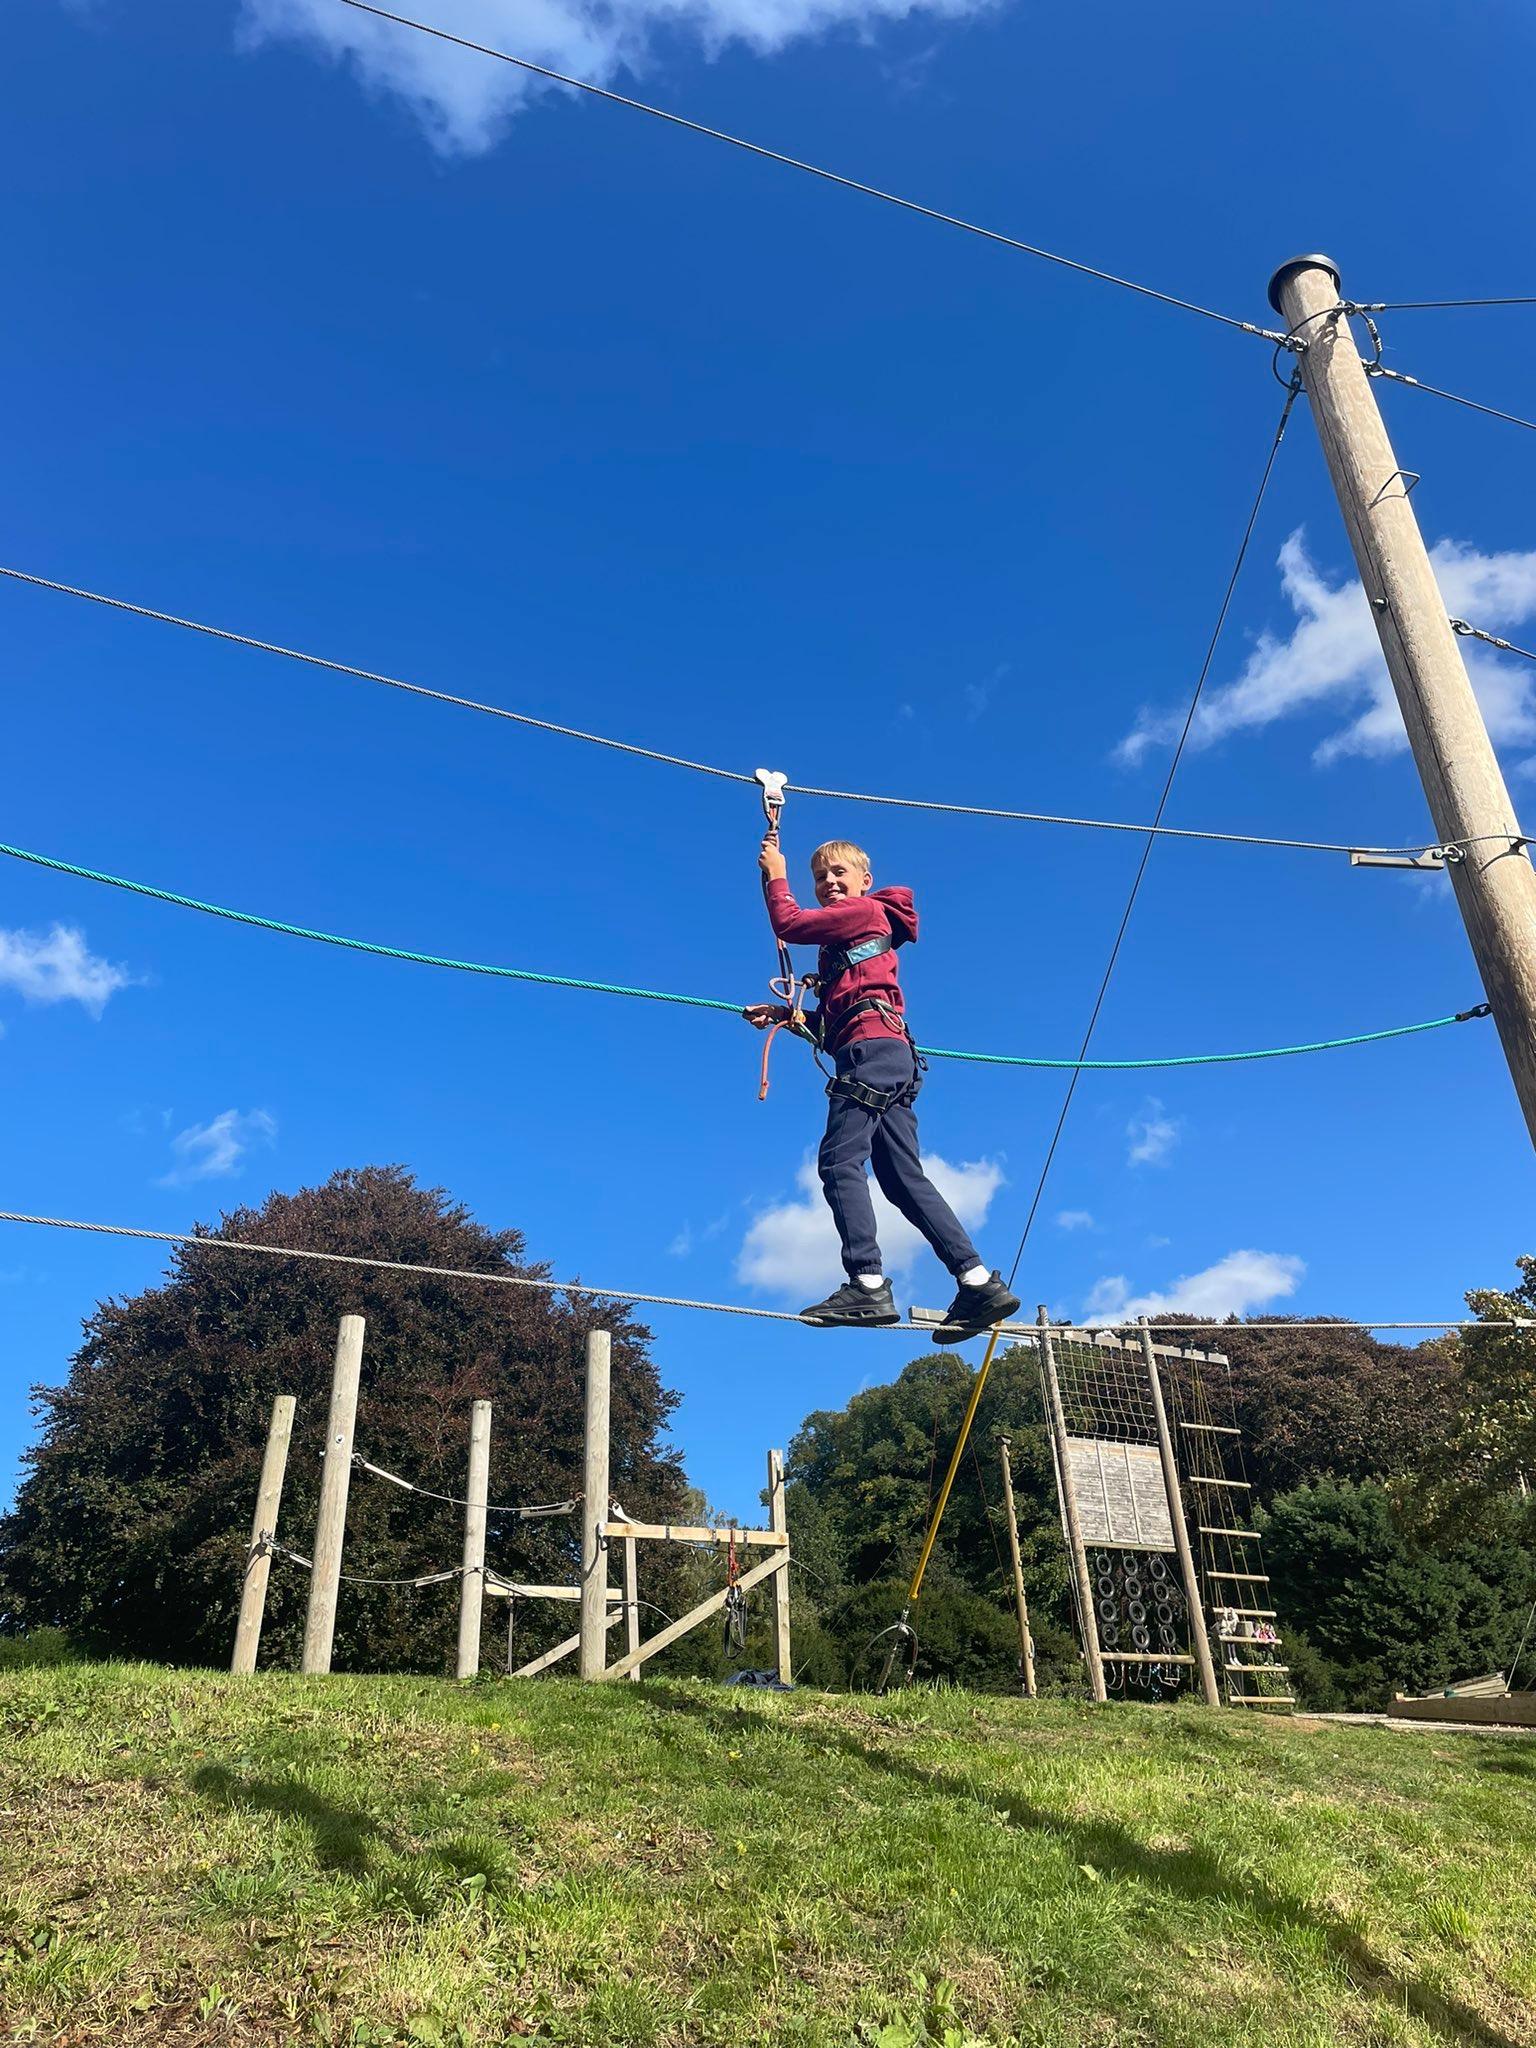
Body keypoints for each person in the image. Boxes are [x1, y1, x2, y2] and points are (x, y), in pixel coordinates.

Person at [744, 832, 1021, 1339]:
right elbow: (841, 1020)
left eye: (839, 873)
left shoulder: (864, 912)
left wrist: (777, 874)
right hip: (886, 1053)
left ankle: (867, 1282)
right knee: (900, 1178)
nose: (829, 882)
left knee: (838, 1162)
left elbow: (790, 924)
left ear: (865, 881)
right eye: (820, 877)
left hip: (872, 1054)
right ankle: (977, 1281)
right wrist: (789, 1016)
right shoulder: (849, 943)